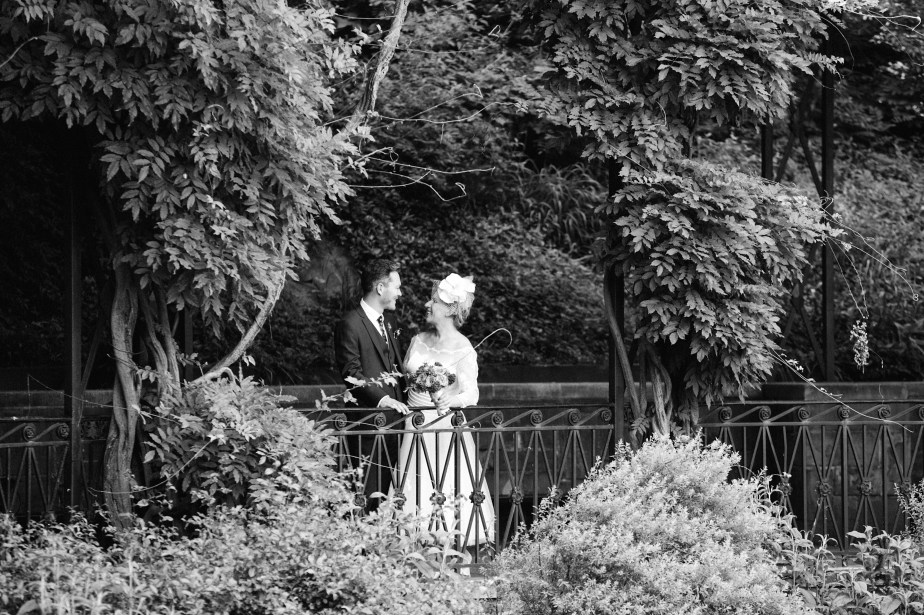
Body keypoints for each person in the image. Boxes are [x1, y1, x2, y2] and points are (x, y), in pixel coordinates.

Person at [393, 273, 495, 561]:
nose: (428, 304)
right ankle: (414, 563)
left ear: (450, 309)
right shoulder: (417, 340)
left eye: (434, 301)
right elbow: (404, 380)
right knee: (412, 489)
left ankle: (448, 561)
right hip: (414, 428)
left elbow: (472, 394)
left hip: (444, 429)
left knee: (445, 491)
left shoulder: (464, 348)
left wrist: (450, 400)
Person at [334, 258, 408, 505]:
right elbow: (351, 373)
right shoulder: (350, 323)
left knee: (395, 498)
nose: (400, 293)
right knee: (369, 498)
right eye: (396, 287)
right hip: (368, 426)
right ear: (380, 288)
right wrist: (383, 399)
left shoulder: (390, 321)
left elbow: (395, 367)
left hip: (399, 427)